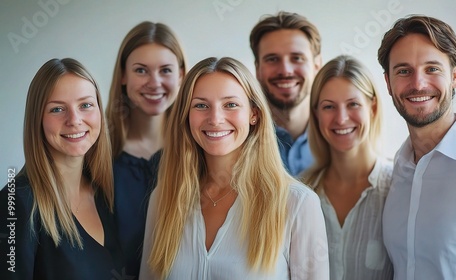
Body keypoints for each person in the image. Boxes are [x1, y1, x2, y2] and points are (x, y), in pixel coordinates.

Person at [139, 57, 329, 280]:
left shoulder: (298, 204)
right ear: (186, 116)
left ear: (254, 114)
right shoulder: (163, 198)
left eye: (230, 104)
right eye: (201, 105)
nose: (215, 119)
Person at [378, 15, 456, 279]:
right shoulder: (397, 170)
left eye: (432, 69)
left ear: (455, 76)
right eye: (403, 71)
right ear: (388, 83)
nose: (418, 84)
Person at [0, 58, 122, 279]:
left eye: (85, 105)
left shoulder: (109, 193)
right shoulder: (16, 202)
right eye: (57, 109)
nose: (74, 120)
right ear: (38, 119)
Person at [105, 21, 186, 278]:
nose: (154, 82)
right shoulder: (96, 154)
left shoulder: (199, 152)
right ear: (123, 75)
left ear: (181, 75)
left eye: (165, 70)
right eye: (141, 70)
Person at [302, 55, 393, 280]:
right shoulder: (299, 194)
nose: (341, 119)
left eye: (353, 104)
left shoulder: (400, 188)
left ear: (372, 108)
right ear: (316, 114)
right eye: (329, 107)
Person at [249, 11, 322, 177]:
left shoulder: (341, 131)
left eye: (297, 58)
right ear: (257, 68)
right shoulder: (237, 138)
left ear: (317, 65)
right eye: (272, 59)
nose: (285, 70)